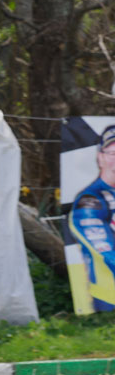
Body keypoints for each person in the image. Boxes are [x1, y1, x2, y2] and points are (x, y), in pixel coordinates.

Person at [69, 123, 115, 311]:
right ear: (100, 158)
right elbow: (104, 250)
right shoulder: (90, 200)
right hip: (110, 300)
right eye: (113, 154)